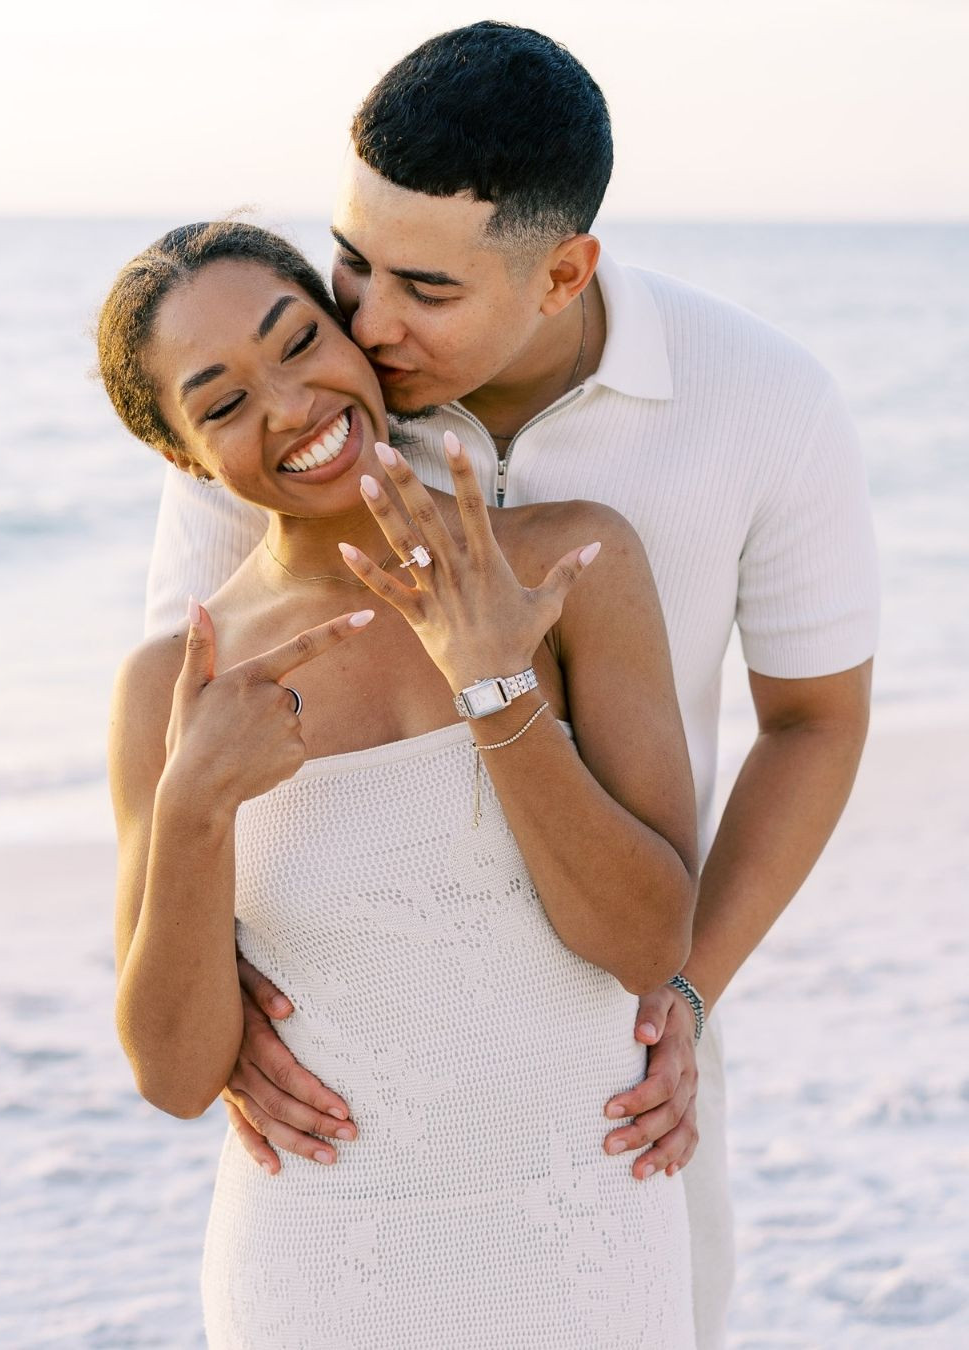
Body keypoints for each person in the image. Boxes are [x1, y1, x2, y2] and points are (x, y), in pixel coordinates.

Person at [142, 23, 880, 1348]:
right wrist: (224, 1012)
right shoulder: (314, 404)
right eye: (350, 258)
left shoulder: (764, 399)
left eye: (423, 289)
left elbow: (816, 721)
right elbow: (190, 755)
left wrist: (686, 996)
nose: (365, 320)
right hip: (339, 1174)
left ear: (564, 272)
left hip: (612, 1090)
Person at [100, 219, 700, 1346]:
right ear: (184, 458)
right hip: (322, 1263)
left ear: (354, 337)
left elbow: (646, 942)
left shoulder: (573, 564)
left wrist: (495, 683)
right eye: (222, 404)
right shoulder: (174, 689)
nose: (288, 406)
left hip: (586, 1247)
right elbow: (178, 1077)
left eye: (297, 344)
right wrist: (194, 811)